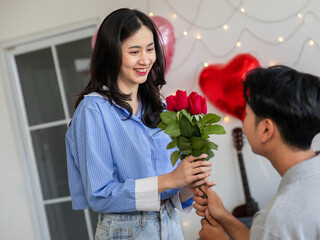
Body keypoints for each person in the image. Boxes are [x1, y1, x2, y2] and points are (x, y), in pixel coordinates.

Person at [65, 8, 213, 240]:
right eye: (134, 51)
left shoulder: (159, 107)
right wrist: (171, 179)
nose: (145, 59)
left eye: (150, 49)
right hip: (124, 231)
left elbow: (170, 193)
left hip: (170, 226)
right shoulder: (93, 110)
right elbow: (100, 195)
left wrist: (189, 182)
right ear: (111, 54)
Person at [193, 65, 320, 240]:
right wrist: (224, 217)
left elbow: (273, 231)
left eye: (247, 114)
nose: (243, 121)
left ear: (266, 129)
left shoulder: (278, 218)